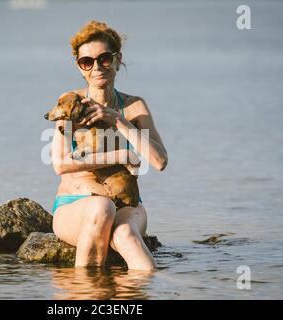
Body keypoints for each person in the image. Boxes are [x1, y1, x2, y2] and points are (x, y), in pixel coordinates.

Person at [50, 20, 168, 271]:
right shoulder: (69, 102)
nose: (96, 67)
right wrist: (120, 154)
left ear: (117, 59)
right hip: (74, 203)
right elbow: (60, 165)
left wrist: (118, 120)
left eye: (104, 58)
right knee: (101, 208)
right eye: (87, 62)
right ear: (80, 67)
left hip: (126, 205)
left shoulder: (134, 107)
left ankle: (148, 291)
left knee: (125, 235)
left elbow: (159, 161)